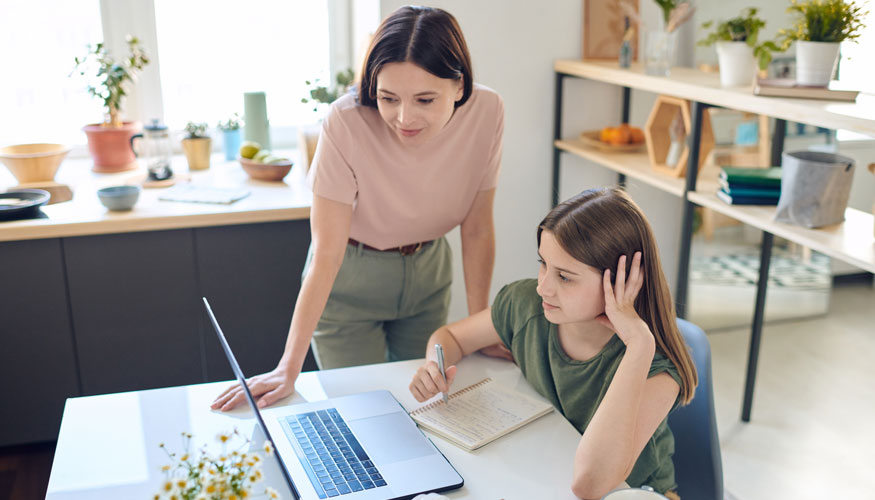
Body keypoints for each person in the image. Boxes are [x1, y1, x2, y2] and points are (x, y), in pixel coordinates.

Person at [213, 5, 508, 412]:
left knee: (430, 411)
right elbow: (326, 252)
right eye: (388, 98)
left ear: (459, 86)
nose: (404, 118)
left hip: (428, 277)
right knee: (364, 417)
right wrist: (287, 367)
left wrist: (480, 327)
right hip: (349, 281)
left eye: (425, 99)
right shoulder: (346, 122)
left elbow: (477, 228)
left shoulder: (487, 111)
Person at [409, 188, 698, 500]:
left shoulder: (656, 368)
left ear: (621, 281)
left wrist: (639, 345)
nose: (543, 286)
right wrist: (432, 366)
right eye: (543, 263)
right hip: (547, 469)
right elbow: (451, 337)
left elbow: (591, 484)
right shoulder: (526, 305)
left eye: (565, 277)